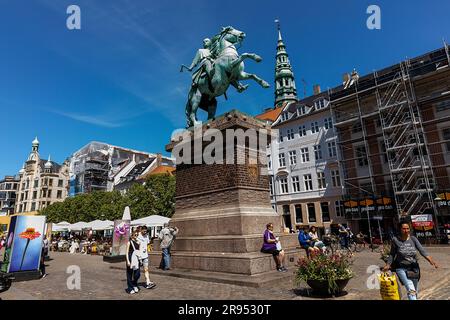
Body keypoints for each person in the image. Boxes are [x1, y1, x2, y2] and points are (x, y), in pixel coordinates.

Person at [383, 222, 439, 300]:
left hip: (414, 268)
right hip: (401, 268)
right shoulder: (395, 240)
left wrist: (431, 260)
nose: (406, 230)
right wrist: (388, 264)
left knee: (414, 290)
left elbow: (422, 251)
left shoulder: (413, 239)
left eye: (407, 228)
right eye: (404, 228)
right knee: (410, 287)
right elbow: (392, 254)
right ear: (400, 229)